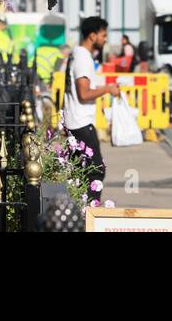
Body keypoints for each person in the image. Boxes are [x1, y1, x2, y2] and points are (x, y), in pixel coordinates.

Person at [63, 16, 120, 203]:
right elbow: (84, 93)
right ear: (92, 36)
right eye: (103, 35)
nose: (105, 39)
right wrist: (108, 89)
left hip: (74, 122)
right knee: (95, 171)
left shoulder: (76, 54)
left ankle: (80, 212)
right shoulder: (83, 58)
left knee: (81, 173)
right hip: (81, 124)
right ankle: (89, 215)